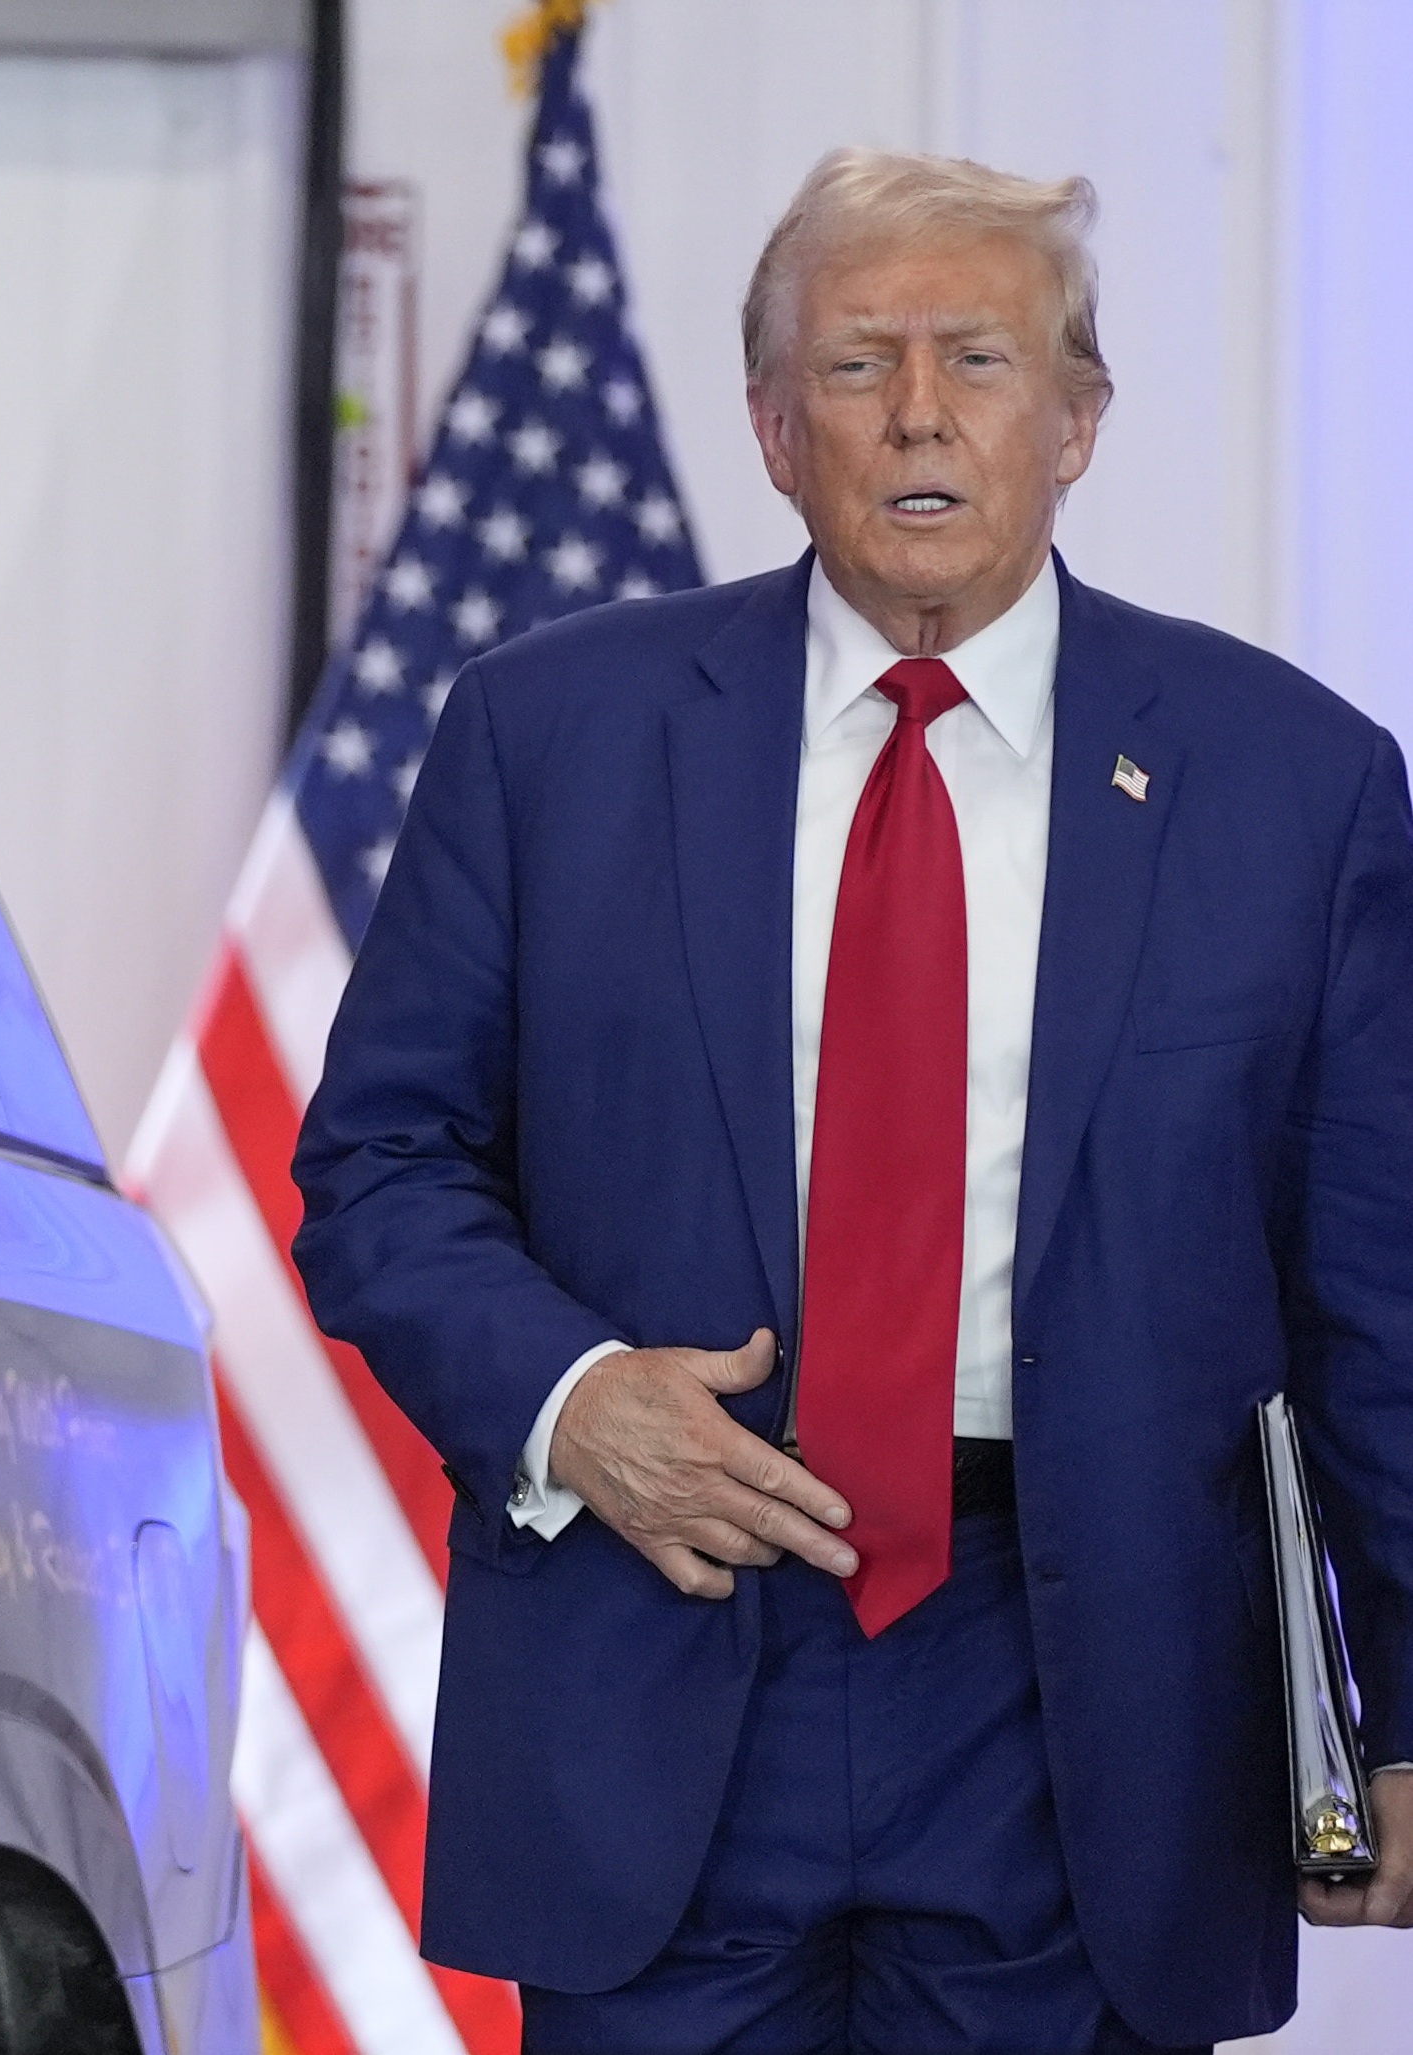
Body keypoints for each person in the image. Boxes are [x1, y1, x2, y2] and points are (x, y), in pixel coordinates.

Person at [292, 146, 1413, 2054]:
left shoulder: (1292, 784)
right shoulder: (547, 735)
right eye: (855, 363)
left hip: (1085, 1703)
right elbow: (381, 1165)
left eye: (976, 360)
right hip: (661, 1630)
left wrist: (1405, 1707)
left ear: (1075, 422)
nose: (916, 414)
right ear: (766, 424)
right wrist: (576, 1405)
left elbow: (1380, 1301)